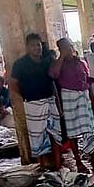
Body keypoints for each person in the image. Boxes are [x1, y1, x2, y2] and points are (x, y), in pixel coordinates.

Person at [10, 33, 61, 169]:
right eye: (33, 45)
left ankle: (57, 163)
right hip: (32, 103)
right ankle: (42, 166)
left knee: (55, 134)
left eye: (38, 45)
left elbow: (52, 83)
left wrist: (57, 104)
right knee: (37, 137)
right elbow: (13, 84)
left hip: (50, 100)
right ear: (27, 47)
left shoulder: (47, 61)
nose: (36, 48)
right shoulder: (20, 64)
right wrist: (24, 97)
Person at [49, 37, 94, 173]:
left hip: (83, 97)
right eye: (65, 48)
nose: (69, 50)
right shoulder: (58, 64)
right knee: (73, 132)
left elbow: (88, 82)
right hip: (68, 98)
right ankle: (79, 162)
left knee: (89, 129)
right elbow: (53, 74)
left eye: (70, 47)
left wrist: (92, 100)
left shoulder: (81, 63)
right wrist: (62, 57)